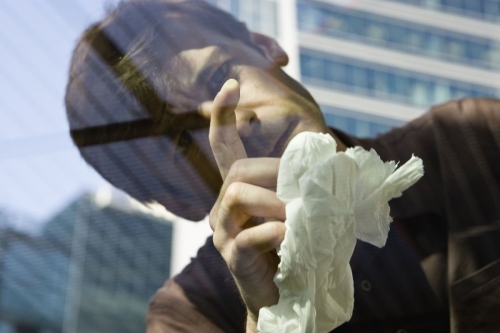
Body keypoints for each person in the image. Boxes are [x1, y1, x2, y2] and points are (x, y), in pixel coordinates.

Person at [65, 0, 500, 332]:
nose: (232, 118)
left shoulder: (475, 139)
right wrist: (271, 315)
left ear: (266, 47)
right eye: (182, 141)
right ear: (177, 202)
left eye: (220, 79)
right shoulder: (187, 317)